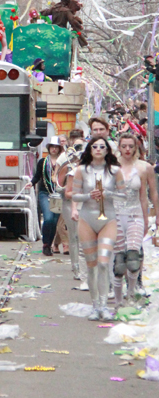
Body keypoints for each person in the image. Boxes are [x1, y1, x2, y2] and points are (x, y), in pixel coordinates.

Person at [71, 135, 125, 321]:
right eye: (95, 146)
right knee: (92, 265)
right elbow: (74, 195)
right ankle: (95, 305)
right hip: (87, 219)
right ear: (90, 149)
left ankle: (104, 305)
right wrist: (89, 195)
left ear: (108, 150)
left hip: (108, 219)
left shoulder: (115, 171)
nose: (99, 149)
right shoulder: (81, 170)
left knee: (104, 263)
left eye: (103, 146)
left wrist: (108, 193)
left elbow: (124, 194)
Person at [114, 132, 148, 305]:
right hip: (116, 216)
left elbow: (144, 197)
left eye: (131, 146)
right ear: (119, 148)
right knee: (119, 261)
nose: (127, 149)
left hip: (135, 215)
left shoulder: (142, 168)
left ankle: (132, 293)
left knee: (134, 256)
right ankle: (119, 300)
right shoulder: (112, 167)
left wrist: (147, 219)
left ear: (136, 148)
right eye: (124, 146)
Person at [56, 130, 86, 282]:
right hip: (70, 204)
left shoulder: (90, 167)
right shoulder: (66, 163)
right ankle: (76, 267)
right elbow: (59, 185)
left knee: (84, 238)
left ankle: (84, 266)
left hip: (86, 205)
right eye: (77, 147)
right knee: (74, 236)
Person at [30, 136, 63, 256]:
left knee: (54, 221)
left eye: (56, 147)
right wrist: (31, 183)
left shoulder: (63, 162)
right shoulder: (43, 162)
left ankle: (49, 244)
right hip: (45, 193)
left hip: (58, 194)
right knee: (48, 218)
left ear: (59, 149)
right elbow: (37, 176)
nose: (54, 149)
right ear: (49, 148)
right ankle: (45, 243)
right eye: (52, 147)